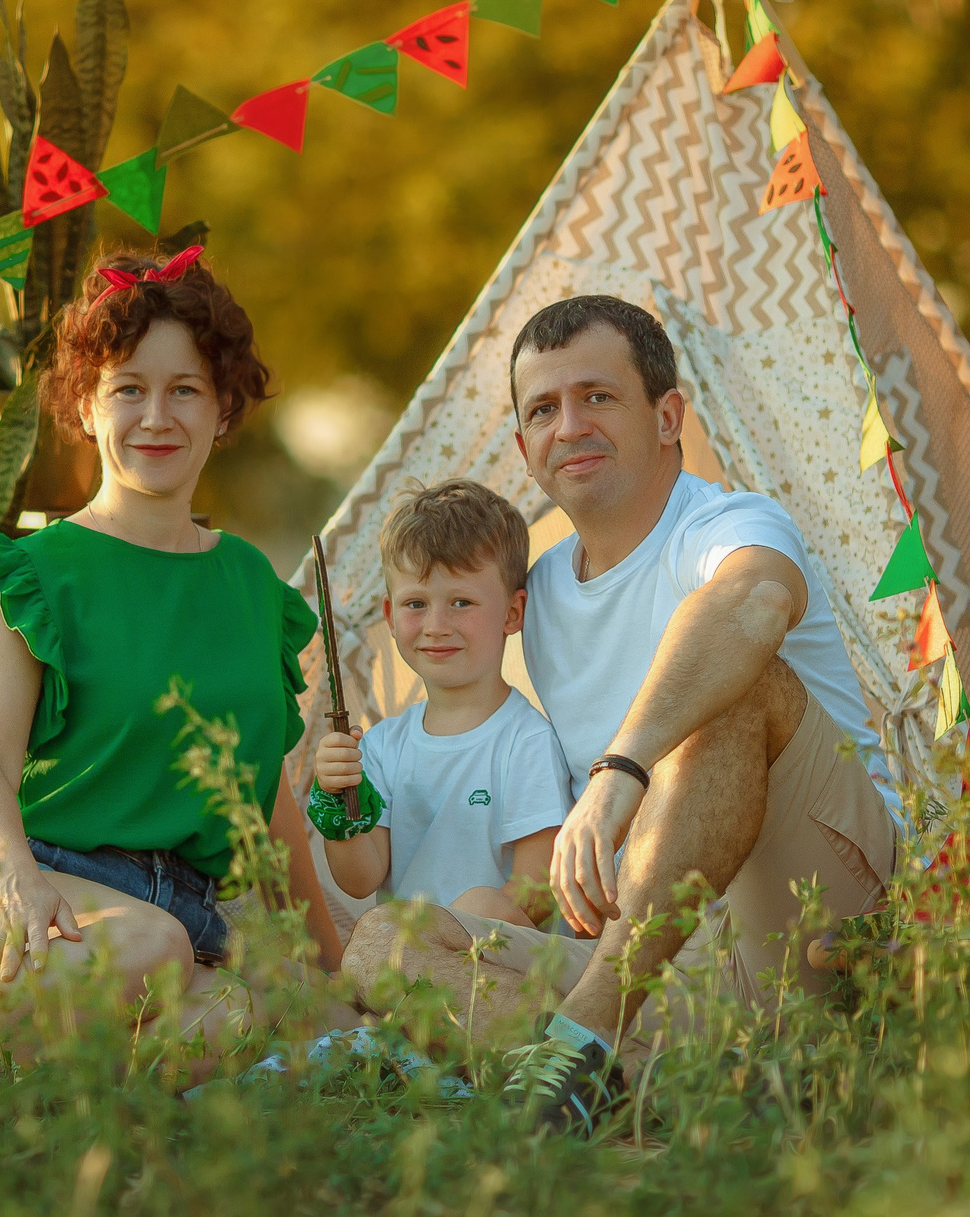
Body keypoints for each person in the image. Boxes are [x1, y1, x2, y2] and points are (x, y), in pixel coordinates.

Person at [381, 294, 901, 1130]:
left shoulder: (728, 522)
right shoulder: (539, 594)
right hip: (664, 956)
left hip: (817, 902)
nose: (569, 426)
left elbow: (756, 598)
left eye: (597, 396)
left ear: (667, 416)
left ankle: (576, 1049)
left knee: (737, 691)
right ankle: (670, 1083)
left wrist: (621, 770)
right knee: (388, 945)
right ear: (523, 449)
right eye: (543, 409)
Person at [0, 245, 335, 1066]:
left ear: (223, 410)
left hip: (177, 913)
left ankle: (33, 1101)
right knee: (150, 948)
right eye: (128, 389)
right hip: (5, 883)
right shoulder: (36, 573)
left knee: (249, 1010)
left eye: (185, 389)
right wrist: (20, 882)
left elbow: (265, 802)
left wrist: (333, 971)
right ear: (86, 408)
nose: (156, 416)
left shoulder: (250, 584)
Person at [312, 482, 574, 986]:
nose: (435, 624)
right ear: (389, 617)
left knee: (476, 905)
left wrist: (447, 936)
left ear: (512, 613)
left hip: (496, 971)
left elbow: (537, 892)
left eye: (461, 602)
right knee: (364, 948)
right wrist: (336, 802)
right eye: (415, 604)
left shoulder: (526, 741)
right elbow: (360, 878)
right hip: (402, 968)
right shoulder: (380, 748)